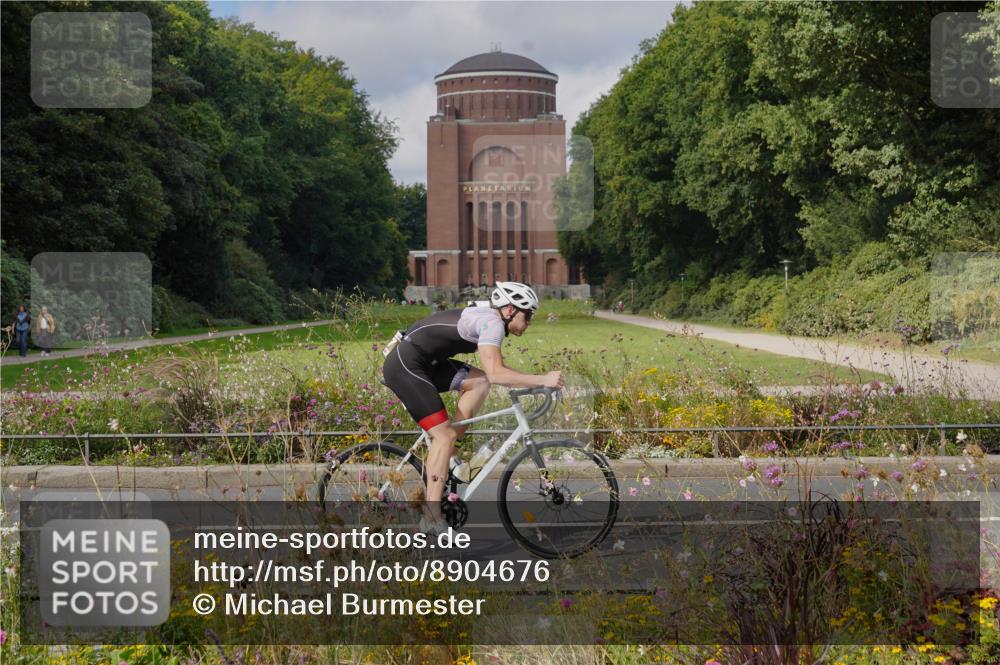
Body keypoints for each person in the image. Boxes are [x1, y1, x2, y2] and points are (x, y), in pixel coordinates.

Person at [381, 282, 563, 532]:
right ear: (510, 309)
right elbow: (498, 373)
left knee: (479, 382)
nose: (530, 322)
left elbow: (495, 373)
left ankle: (450, 454)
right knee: (442, 435)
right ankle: (432, 517)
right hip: (406, 366)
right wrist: (543, 379)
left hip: (426, 362)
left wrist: (531, 383)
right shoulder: (493, 324)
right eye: (528, 315)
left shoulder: (492, 320)